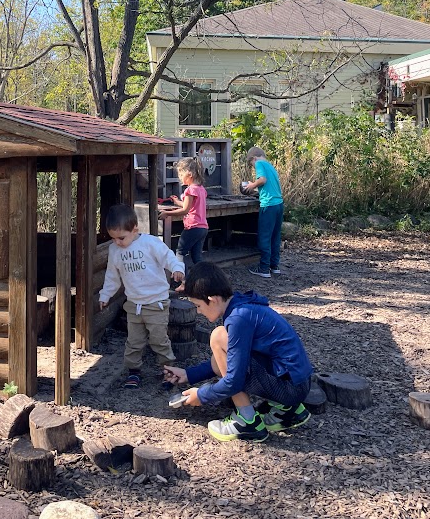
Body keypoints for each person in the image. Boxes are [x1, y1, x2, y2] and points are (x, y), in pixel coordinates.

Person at [164, 262, 313, 443]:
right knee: (223, 346)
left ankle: (246, 421)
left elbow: (234, 380)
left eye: (198, 306)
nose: (198, 311)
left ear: (213, 300)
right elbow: (227, 360)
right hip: (297, 384)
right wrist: (189, 375)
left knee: (218, 337)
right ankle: (289, 412)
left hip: (290, 389)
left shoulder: (238, 319)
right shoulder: (241, 307)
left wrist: (202, 395)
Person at [99, 203, 185, 389]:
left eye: (121, 237)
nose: (118, 242)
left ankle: (169, 371)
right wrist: (105, 295)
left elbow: (168, 257)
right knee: (134, 342)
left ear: (135, 229)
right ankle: (134, 372)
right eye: (113, 239)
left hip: (157, 303)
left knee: (159, 340)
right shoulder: (115, 251)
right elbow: (112, 276)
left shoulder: (151, 243)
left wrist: (177, 268)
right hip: (134, 304)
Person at [243, 145, 283, 278]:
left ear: (253, 158)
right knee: (275, 236)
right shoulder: (271, 166)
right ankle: (274, 266)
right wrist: (256, 189)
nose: (253, 167)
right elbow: (268, 185)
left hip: (269, 205)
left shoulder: (259, 163)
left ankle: (264, 268)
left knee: (264, 236)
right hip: (279, 204)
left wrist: (251, 185)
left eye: (251, 164)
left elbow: (262, 180)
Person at [161, 156, 209, 270]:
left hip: (193, 227)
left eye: (181, 174)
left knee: (180, 253)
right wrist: (177, 201)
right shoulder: (201, 189)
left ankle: (183, 281)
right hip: (203, 228)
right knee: (197, 258)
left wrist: (167, 213)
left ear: (189, 174)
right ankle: (204, 280)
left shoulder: (190, 190)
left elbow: (185, 210)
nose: (179, 177)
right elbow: (188, 205)